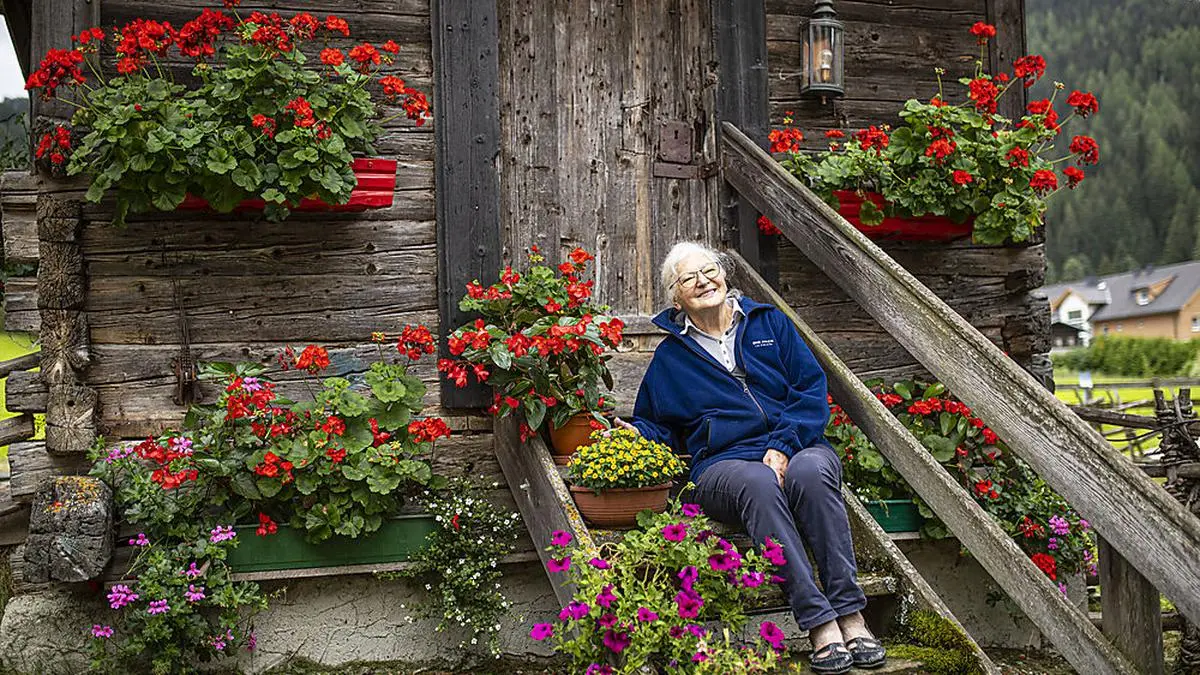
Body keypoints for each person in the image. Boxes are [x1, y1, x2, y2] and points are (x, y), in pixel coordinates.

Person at [615, 241, 886, 674]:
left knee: (813, 473)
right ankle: (819, 622)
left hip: (796, 443)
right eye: (689, 278)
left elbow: (809, 389)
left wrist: (784, 445)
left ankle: (850, 613)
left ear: (724, 275)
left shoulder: (769, 323)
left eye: (709, 270)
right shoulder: (671, 358)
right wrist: (637, 434)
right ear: (676, 298)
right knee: (758, 482)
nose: (703, 281)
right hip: (723, 464)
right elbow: (660, 424)